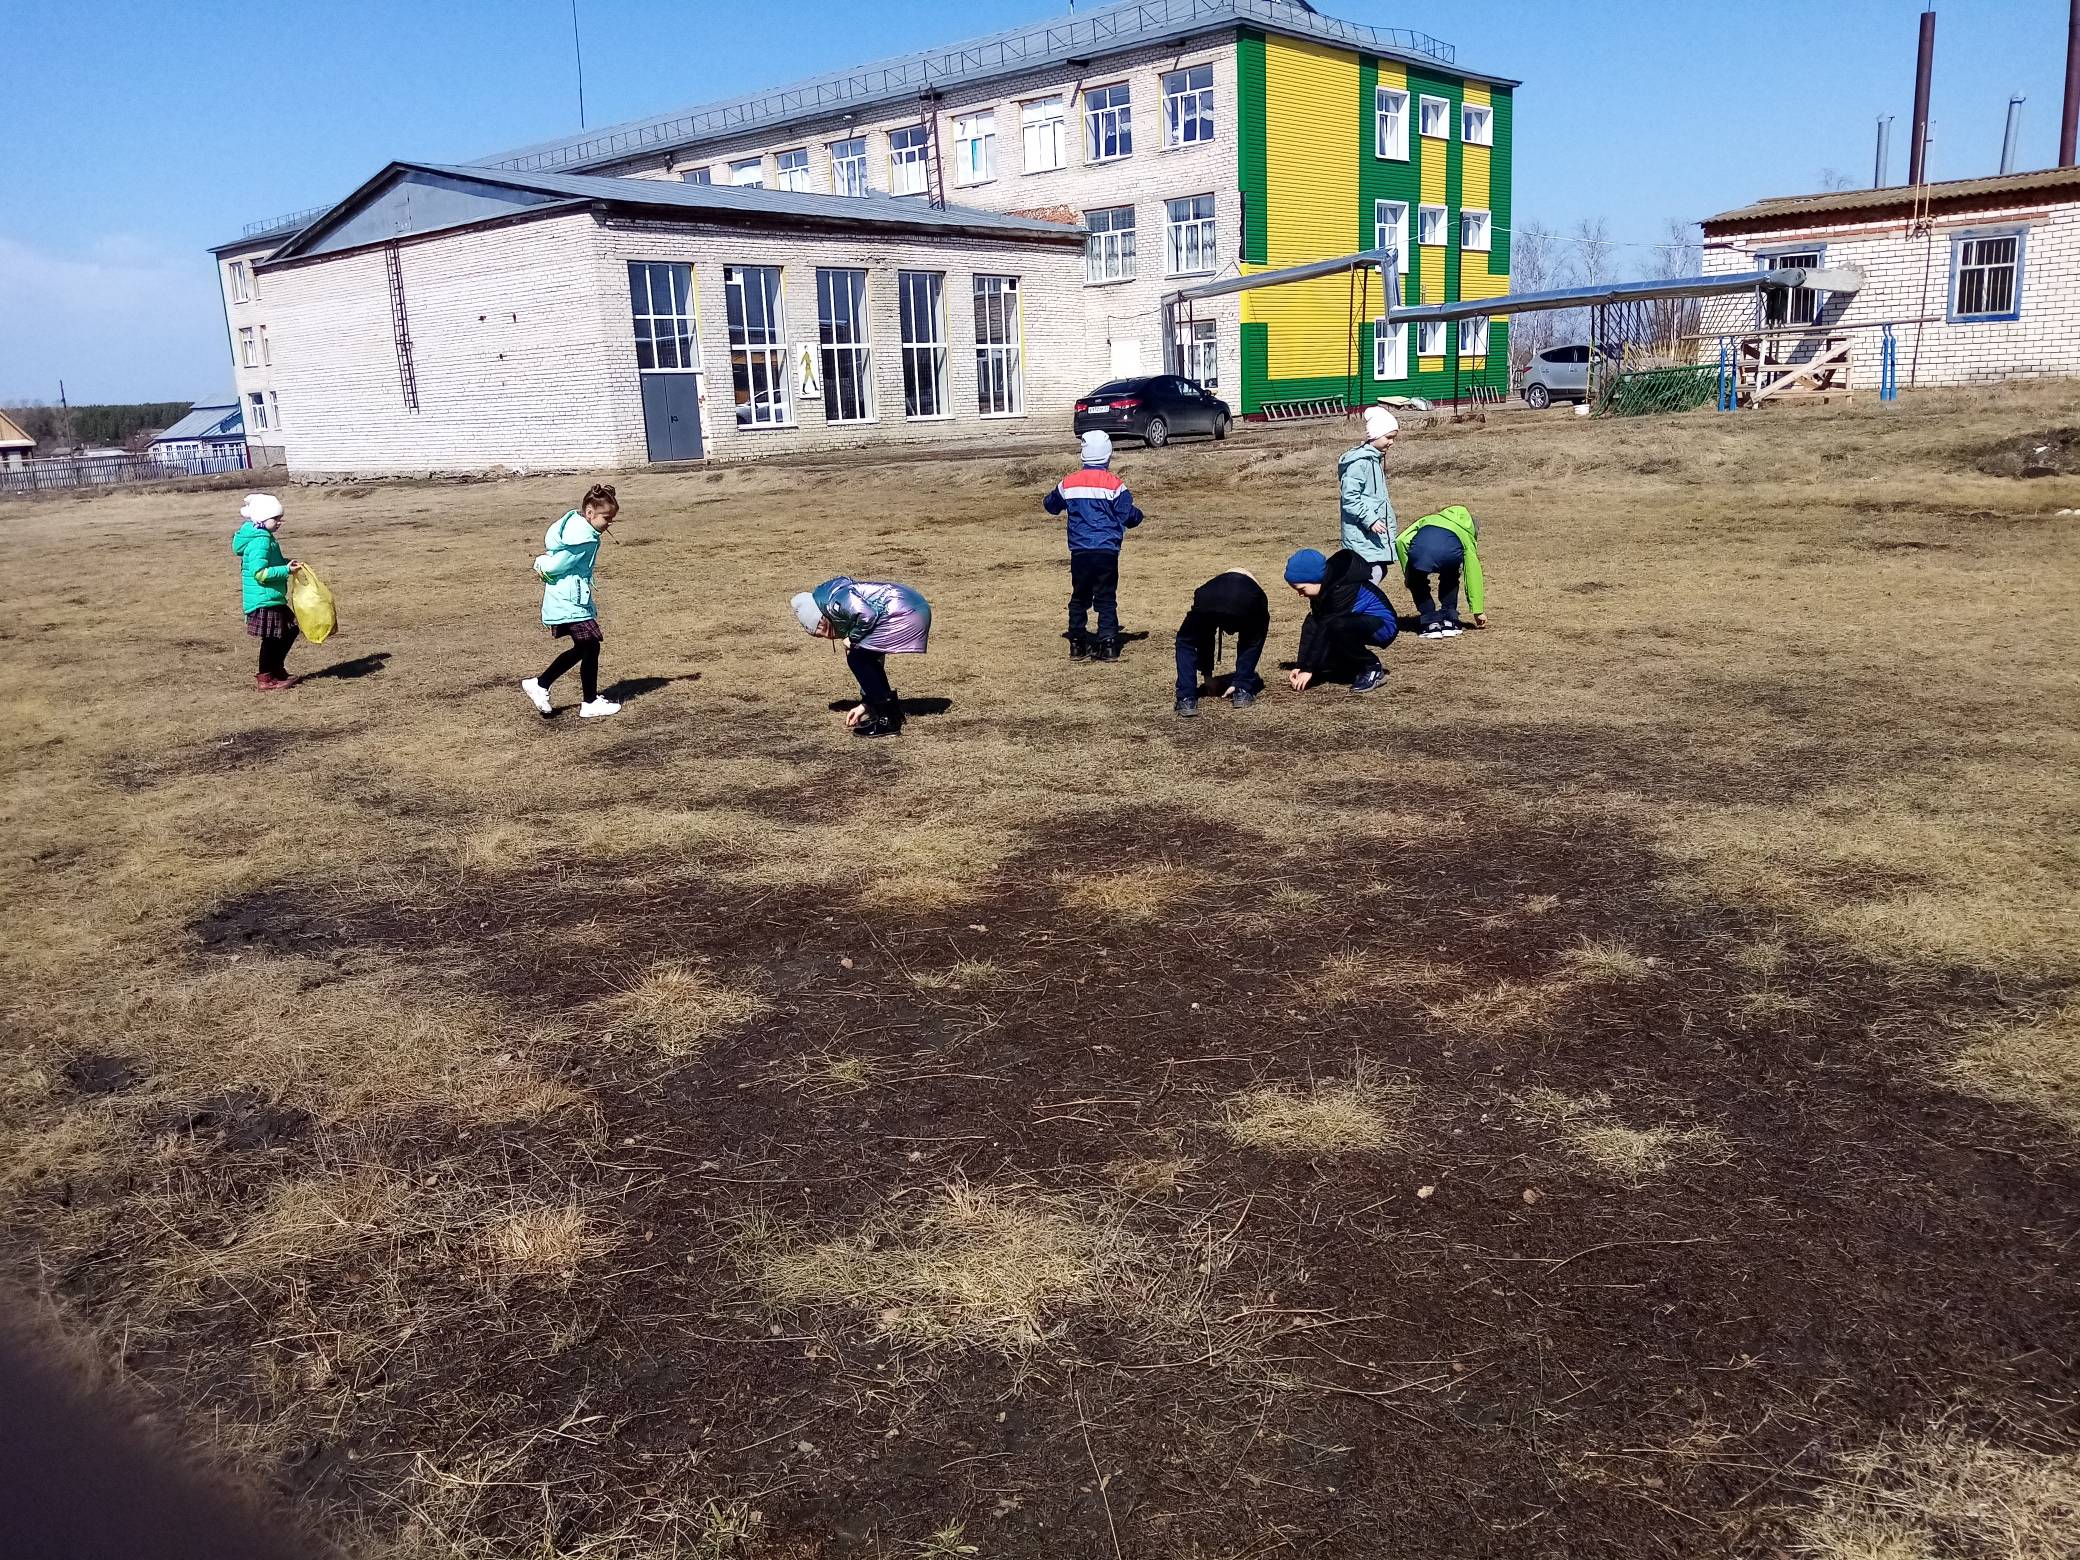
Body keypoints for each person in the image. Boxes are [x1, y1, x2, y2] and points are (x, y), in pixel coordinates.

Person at [521, 483, 622, 720]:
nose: (609, 524)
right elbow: (556, 566)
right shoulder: (583, 538)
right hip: (570, 600)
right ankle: (570, 695)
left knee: (587, 647)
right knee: (589, 645)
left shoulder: (578, 529)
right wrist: (541, 563)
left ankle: (549, 687)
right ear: (590, 513)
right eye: (607, 518)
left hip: (568, 597)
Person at [1043, 429, 1143, 662]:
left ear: (1083, 455)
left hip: (1080, 551)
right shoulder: (1114, 485)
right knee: (1106, 597)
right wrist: (1138, 516)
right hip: (1107, 551)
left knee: (1079, 596)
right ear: (1108, 456)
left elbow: (1050, 504)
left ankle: (1077, 643)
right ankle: (1108, 644)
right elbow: (1128, 515)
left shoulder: (1069, 483)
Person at [791, 576, 933, 739]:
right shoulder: (835, 600)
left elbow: (868, 615)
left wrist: (853, 638)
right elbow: (874, 661)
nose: (831, 637)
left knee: (857, 659)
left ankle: (887, 721)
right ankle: (891, 714)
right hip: (910, 608)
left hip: (906, 612)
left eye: (826, 633)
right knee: (863, 657)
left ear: (822, 620)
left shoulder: (835, 603)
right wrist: (866, 704)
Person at [1283, 547, 1397, 694]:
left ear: (1316, 579)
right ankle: (1345, 666)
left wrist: (1309, 669)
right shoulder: (1325, 585)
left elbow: (1327, 626)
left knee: (1336, 626)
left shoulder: (1343, 588)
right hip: (1356, 621)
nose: (1300, 594)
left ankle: (1372, 667)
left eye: (1301, 589)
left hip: (1383, 625)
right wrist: (1302, 665)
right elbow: (1315, 624)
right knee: (1314, 621)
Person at [1174, 570, 1269, 718]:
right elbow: (1252, 641)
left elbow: (1205, 637)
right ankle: (1242, 691)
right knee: (1252, 640)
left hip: (1208, 599)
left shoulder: (1217, 585)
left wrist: (1208, 677)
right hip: (1248, 601)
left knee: (1186, 641)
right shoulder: (1255, 592)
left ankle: (1186, 698)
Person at [232, 494, 301, 691]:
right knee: (272, 638)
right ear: (261, 519)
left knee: (291, 628)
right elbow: (261, 573)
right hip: (263, 598)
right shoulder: (260, 541)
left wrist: (287, 563)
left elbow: (270, 563)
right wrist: (286, 570)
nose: (280, 522)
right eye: (276, 519)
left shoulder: (265, 538)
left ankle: (277, 669)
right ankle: (266, 677)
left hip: (271, 596)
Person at [1396, 504, 1487, 639]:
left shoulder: (1428, 519)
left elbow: (1401, 540)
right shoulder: (1465, 535)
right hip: (1450, 556)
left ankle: (1429, 622)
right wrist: (1478, 610)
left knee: (1417, 580)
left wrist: (1409, 574)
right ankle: (1449, 620)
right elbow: (1472, 573)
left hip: (1420, 553)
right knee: (1450, 576)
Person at [1339, 406, 1399, 583]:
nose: (1391, 442)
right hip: (1361, 532)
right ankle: (1356, 605)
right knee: (1372, 572)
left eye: (1394, 438)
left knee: (1379, 570)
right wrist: (1370, 519)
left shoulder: (1374, 460)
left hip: (1372, 532)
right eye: (1388, 437)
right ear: (1374, 435)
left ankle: (1359, 604)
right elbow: (1349, 498)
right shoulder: (1359, 464)